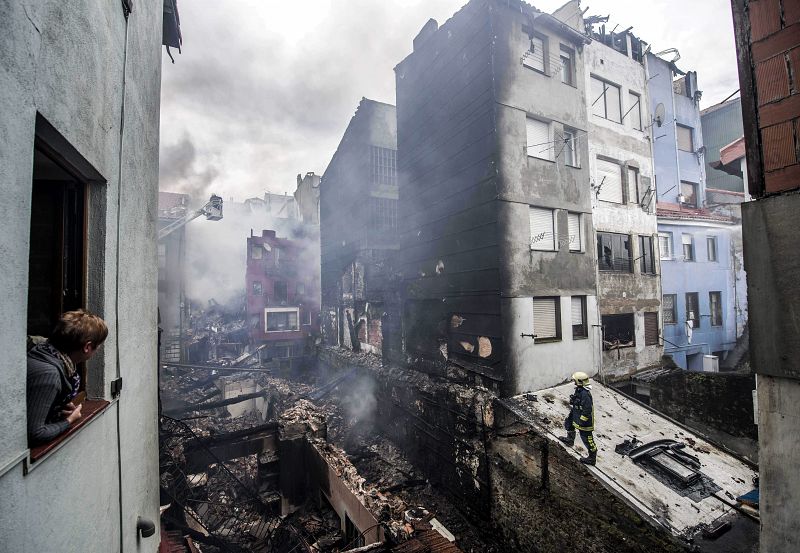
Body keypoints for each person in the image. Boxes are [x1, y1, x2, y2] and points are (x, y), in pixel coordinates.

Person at [27, 309, 108, 446]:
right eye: (98, 345)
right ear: (87, 347)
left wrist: (58, 405)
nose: (98, 349)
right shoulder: (49, 376)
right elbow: (35, 434)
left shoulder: (43, 350)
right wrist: (69, 420)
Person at [559, 371, 597, 465]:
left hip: (584, 421)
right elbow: (578, 401)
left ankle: (592, 458)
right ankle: (570, 440)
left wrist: (582, 421)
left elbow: (587, 410)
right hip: (576, 413)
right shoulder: (579, 390)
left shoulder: (585, 394)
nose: (574, 382)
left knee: (587, 439)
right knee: (569, 423)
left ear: (580, 381)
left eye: (575, 381)